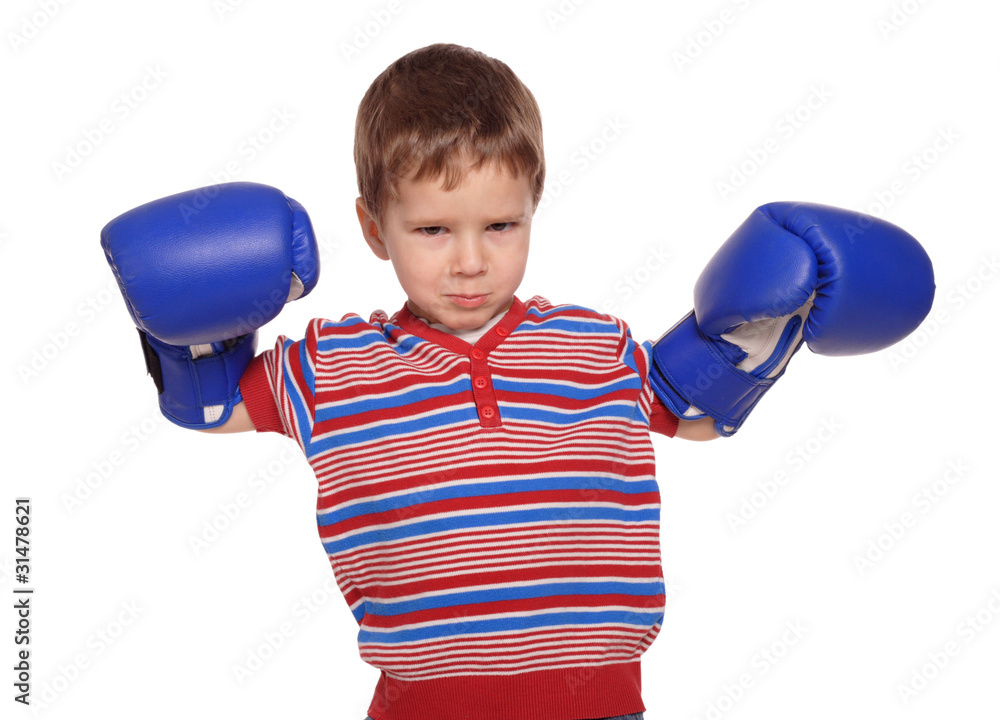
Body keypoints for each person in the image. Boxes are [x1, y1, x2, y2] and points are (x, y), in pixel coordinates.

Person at [101, 43, 934, 720]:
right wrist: (186, 320)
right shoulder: (333, 365)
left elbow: (696, 416)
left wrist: (765, 326)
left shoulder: (594, 346)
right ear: (372, 227)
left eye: (501, 224)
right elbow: (209, 408)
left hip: (602, 705)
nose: (470, 260)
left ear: (535, 202)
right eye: (432, 229)